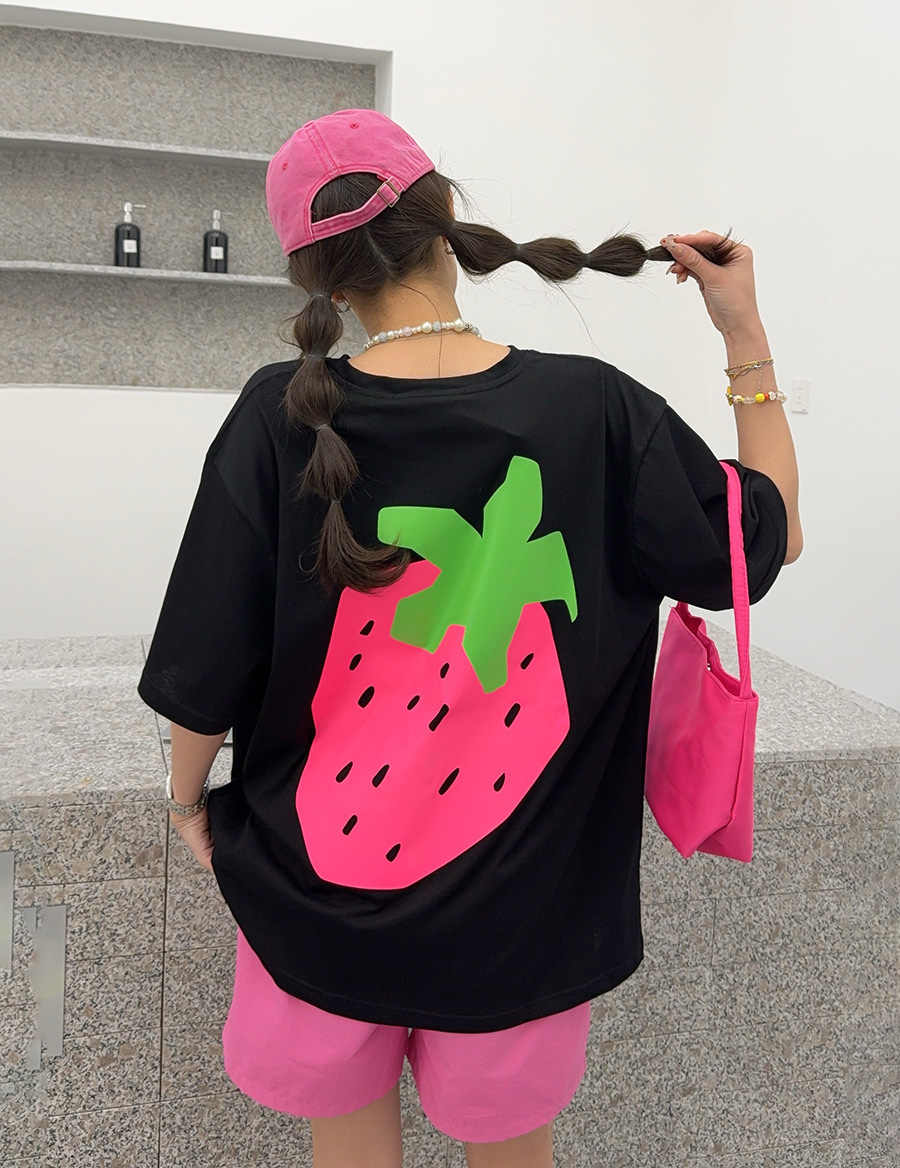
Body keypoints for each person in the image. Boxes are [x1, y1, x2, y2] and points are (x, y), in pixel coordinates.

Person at [137, 109, 801, 1168]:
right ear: (445, 213)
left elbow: (205, 664)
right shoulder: (596, 412)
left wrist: (186, 804)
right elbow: (764, 540)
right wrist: (743, 336)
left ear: (318, 278)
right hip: (524, 921)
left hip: (315, 904)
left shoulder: (279, 413)